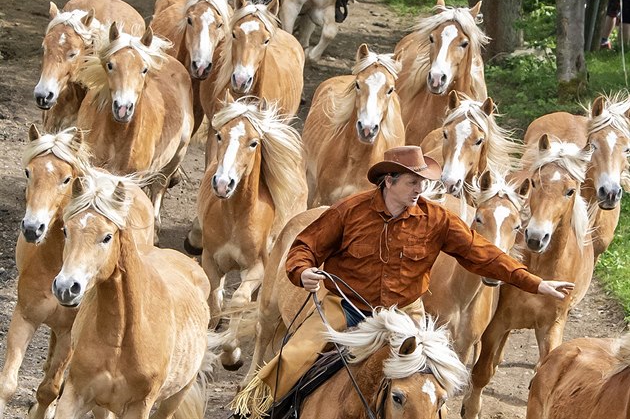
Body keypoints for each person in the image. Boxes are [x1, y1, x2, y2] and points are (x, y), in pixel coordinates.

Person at [231, 146, 575, 419]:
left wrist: (535, 283)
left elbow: (481, 252)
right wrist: (302, 270)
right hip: (348, 306)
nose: (420, 189)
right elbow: (305, 246)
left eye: (422, 182)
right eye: (413, 182)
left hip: (405, 313)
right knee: (296, 356)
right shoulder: (349, 211)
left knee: (436, 372)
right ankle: (253, 411)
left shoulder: (436, 219)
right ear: (389, 181)